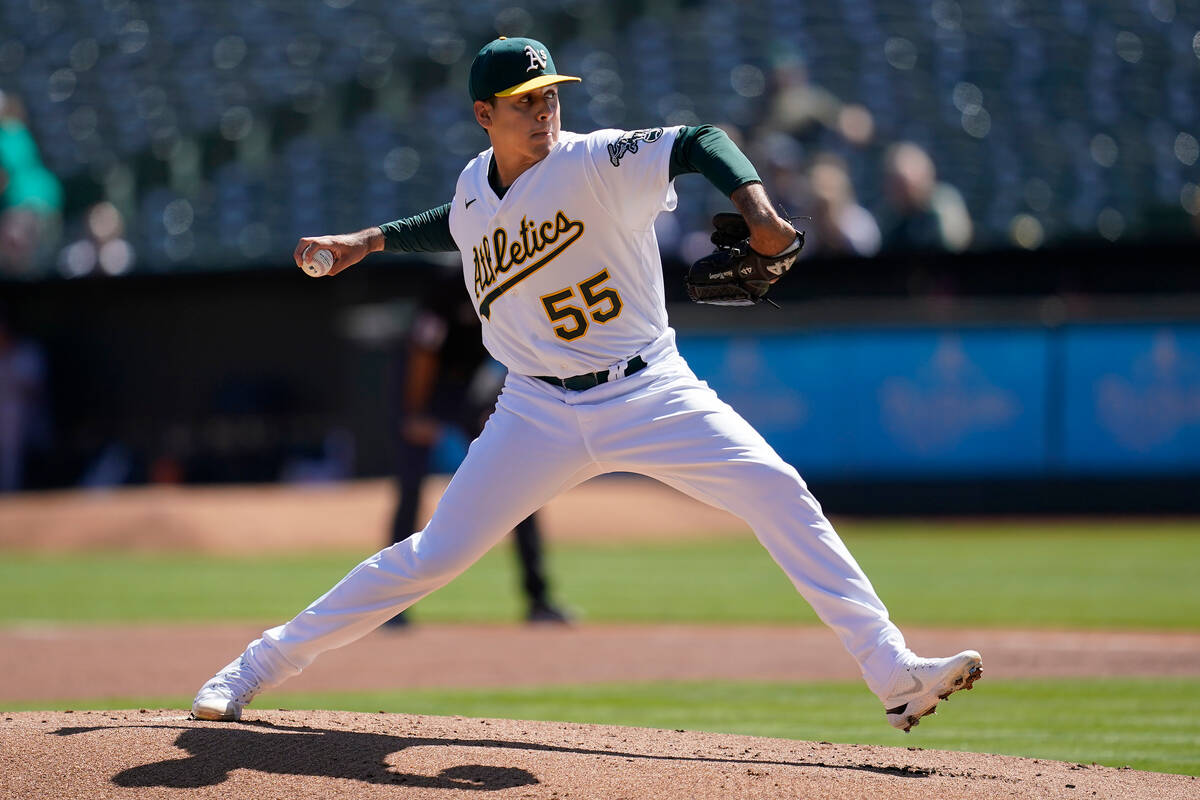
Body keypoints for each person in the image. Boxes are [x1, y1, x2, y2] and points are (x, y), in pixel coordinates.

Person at [192, 37, 982, 733]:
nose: (544, 111)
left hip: (650, 391)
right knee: (430, 558)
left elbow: (700, 139)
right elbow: (457, 220)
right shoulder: (475, 184)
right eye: (525, 102)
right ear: (483, 115)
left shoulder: (594, 159)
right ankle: (253, 669)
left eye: (550, 96)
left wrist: (762, 212)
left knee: (776, 489)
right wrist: (366, 241)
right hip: (534, 407)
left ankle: (893, 674)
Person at [385, 267, 569, 626]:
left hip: (472, 386)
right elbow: (423, 352)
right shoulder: (448, 286)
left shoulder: (513, 282)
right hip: (426, 387)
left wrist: (496, 406)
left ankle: (539, 600)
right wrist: (417, 413)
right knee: (409, 491)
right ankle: (392, 607)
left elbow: (520, 355)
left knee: (518, 490)